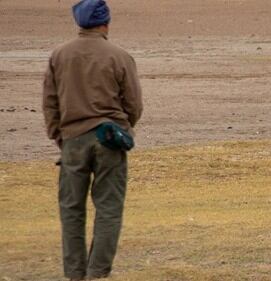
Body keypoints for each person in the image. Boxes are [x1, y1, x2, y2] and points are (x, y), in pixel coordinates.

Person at [42, 0, 143, 280]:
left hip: (72, 138)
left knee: (71, 209)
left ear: (79, 23)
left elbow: (50, 102)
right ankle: (97, 273)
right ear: (105, 22)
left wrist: (60, 136)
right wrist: (124, 128)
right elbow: (133, 104)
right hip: (110, 137)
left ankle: (75, 273)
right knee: (109, 207)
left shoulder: (59, 55)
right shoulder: (119, 55)